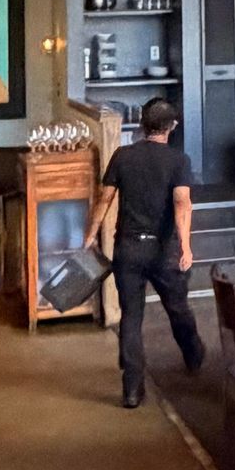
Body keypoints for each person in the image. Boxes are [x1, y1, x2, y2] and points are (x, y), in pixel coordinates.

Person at [89, 100, 203, 407]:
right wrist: (186, 246)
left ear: (141, 124)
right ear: (172, 126)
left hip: (128, 249)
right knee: (177, 307)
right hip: (163, 250)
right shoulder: (179, 160)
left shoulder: (123, 156)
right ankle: (194, 357)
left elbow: (105, 199)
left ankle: (132, 390)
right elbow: (182, 204)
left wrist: (91, 234)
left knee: (131, 317)